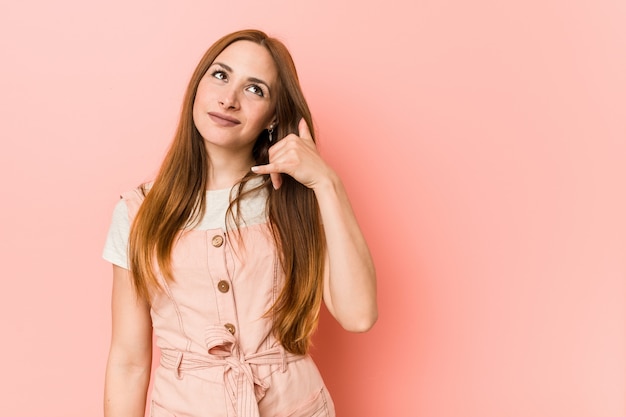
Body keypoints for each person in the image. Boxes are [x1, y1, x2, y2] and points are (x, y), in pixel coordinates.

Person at [102, 29, 377, 417]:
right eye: (220, 75)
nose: (228, 99)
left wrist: (328, 183)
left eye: (255, 89)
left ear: (274, 115)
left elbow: (359, 314)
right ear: (197, 85)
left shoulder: (300, 199)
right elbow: (128, 362)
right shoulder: (138, 212)